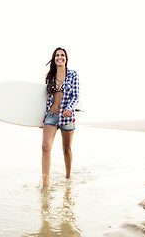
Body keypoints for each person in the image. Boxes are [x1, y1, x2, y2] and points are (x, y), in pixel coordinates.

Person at [41, 47, 80, 188]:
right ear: (54, 58)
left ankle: (68, 177)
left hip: (67, 117)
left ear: (66, 58)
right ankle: (45, 183)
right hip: (51, 115)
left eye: (62, 55)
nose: (60, 57)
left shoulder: (73, 75)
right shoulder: (49, 77)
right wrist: (41, 119)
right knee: (45, 147)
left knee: (66, 149)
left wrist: (69, 108)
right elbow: (43, 99)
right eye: (57, 55)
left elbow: (75, 96)